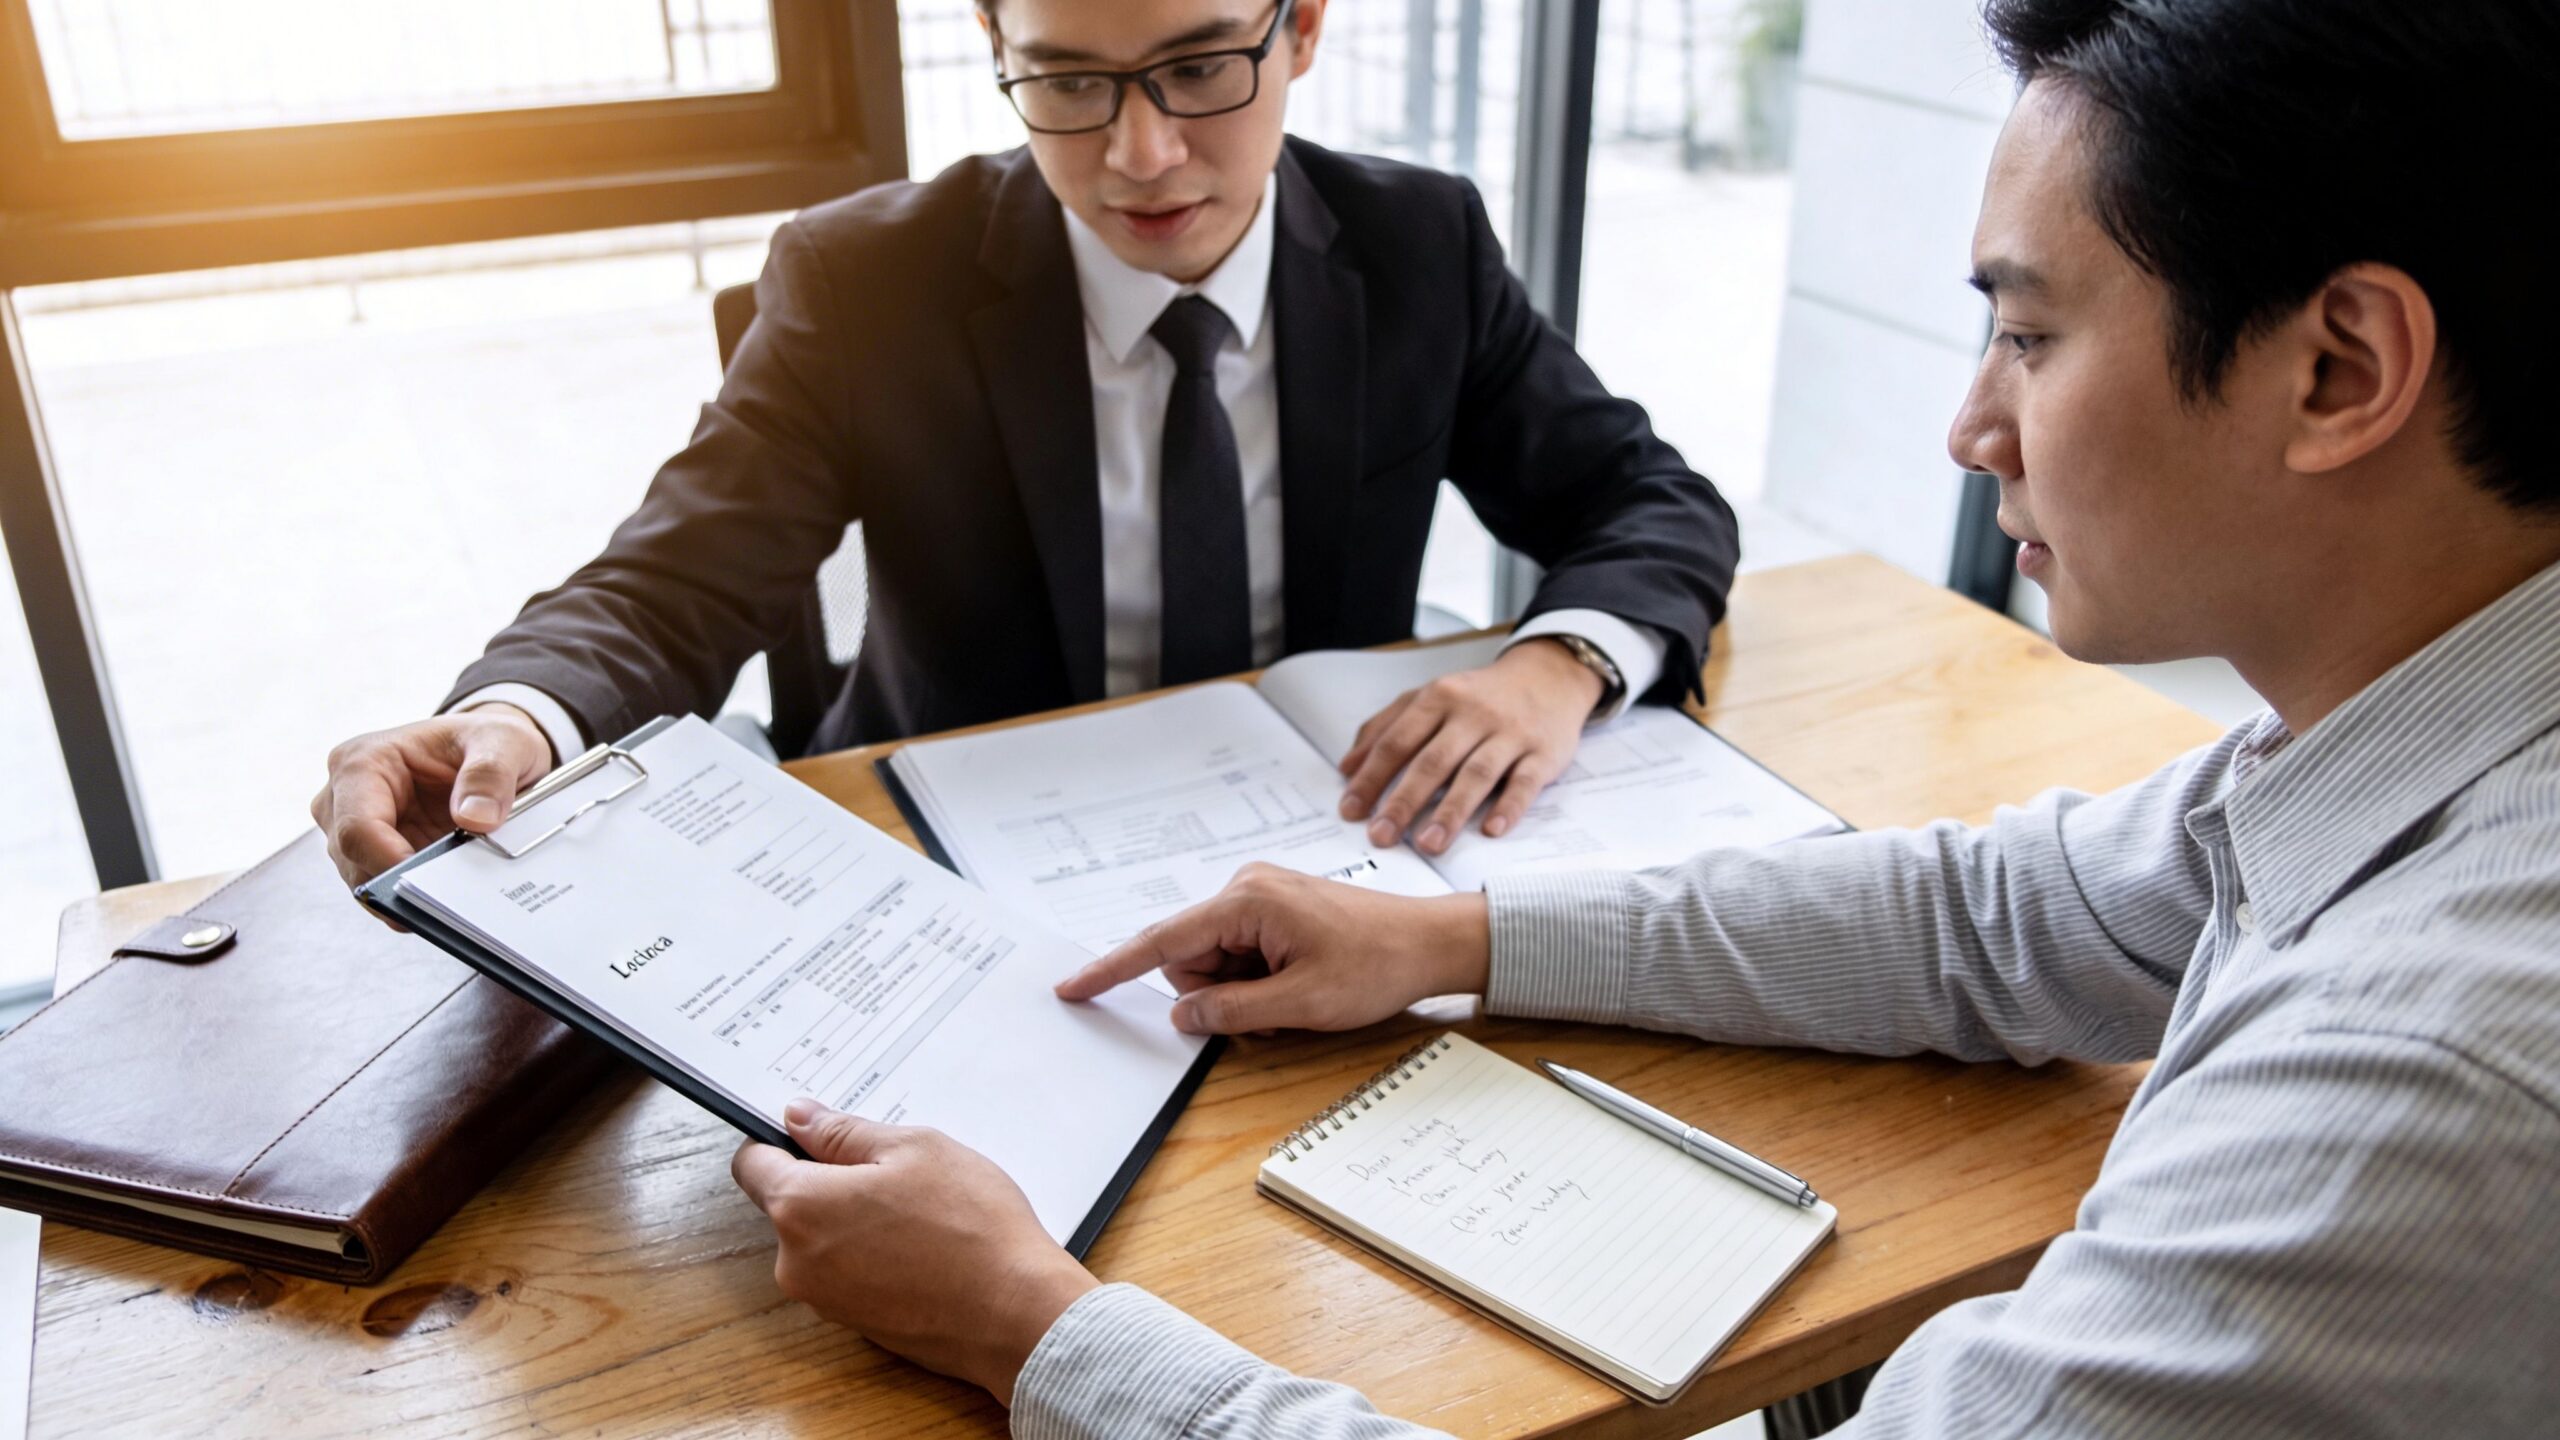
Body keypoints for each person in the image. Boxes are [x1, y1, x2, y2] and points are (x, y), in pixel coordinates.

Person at [723, 0, 2560, 1433]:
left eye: (2031, 333)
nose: (1969, 426)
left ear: (2338, 372)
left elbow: (1652, 506)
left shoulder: (2429, 1081)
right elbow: (2012, 918)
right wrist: (1441, 937)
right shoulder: (2397, 738)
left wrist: (1040, 1331)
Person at [311, 0, 1740, 889]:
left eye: (1196, 69)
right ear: (993, 46)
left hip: (1325, 845)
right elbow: (678, 584)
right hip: (945, 863)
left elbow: (1644, 497)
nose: (1141, 156)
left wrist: (1559, 666)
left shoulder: (1418, 244)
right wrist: (516, 714)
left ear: (1301, 29)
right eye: (1065, 81)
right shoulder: (868, 281)